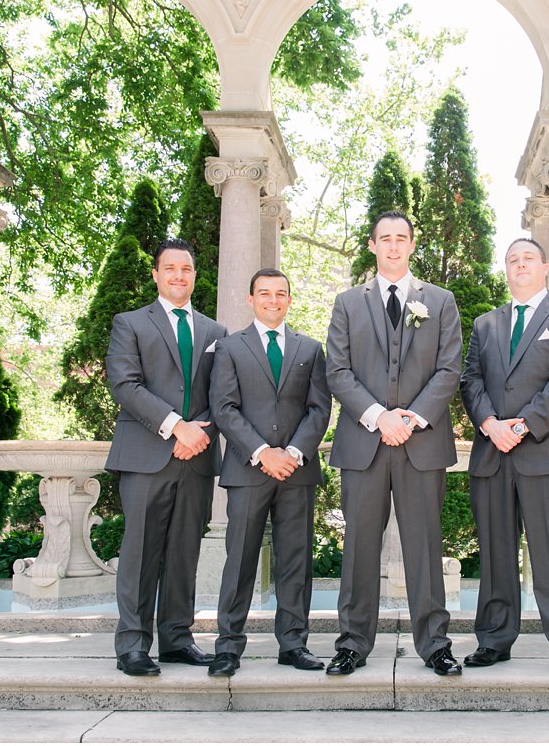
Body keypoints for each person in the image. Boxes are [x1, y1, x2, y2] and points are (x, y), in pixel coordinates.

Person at [325, 210, 463, 677]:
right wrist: (378, 417)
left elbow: (449, 370)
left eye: (401, 238)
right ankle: (352, 643)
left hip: (420, 442)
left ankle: (435, 645)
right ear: (372, 245)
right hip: (364, 442)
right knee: (359, 545)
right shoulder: (347, 302)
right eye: (384, 238)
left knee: (424, 545)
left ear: (411, 244)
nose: (393, 245)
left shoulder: (440, 302)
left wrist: (413, 418)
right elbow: (337, 371)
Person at [460, 237, 549, 676]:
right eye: (513, 259)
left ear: (545, 267)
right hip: (493, 454)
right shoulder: (486, 324)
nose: (520, 265)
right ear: (506, 269)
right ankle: (495, 640)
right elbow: (470, 380)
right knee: (496, 553)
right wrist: (489, 423)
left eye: (528, 258)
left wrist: (521, 425)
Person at [104, 238, 226, 676]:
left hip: (197, 455)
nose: (179, 276)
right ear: (156, 275)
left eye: (186, 269)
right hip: (146, 453)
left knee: (183, 551)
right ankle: (133, 645)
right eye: (170, 269)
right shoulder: (131, 323)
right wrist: (176, 426)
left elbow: (223, 394)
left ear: (195, 275)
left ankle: (177, 638)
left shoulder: (215, 332)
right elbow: (125, 384)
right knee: (139, 550)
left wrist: (198, 433)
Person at [206, 268, 331, 678]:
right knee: (239, 560)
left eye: (281, 293)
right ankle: (227, 647)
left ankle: (293, 643)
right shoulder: (228, 348)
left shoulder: (310, 349)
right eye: (264, 293)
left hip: (296, 471)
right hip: (248, 469)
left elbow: (319, 409)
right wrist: (263, 453)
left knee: (295, 561)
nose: (272, 300)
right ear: (251, 299)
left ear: (290, 300)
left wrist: (292, 452)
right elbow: (224, 408)